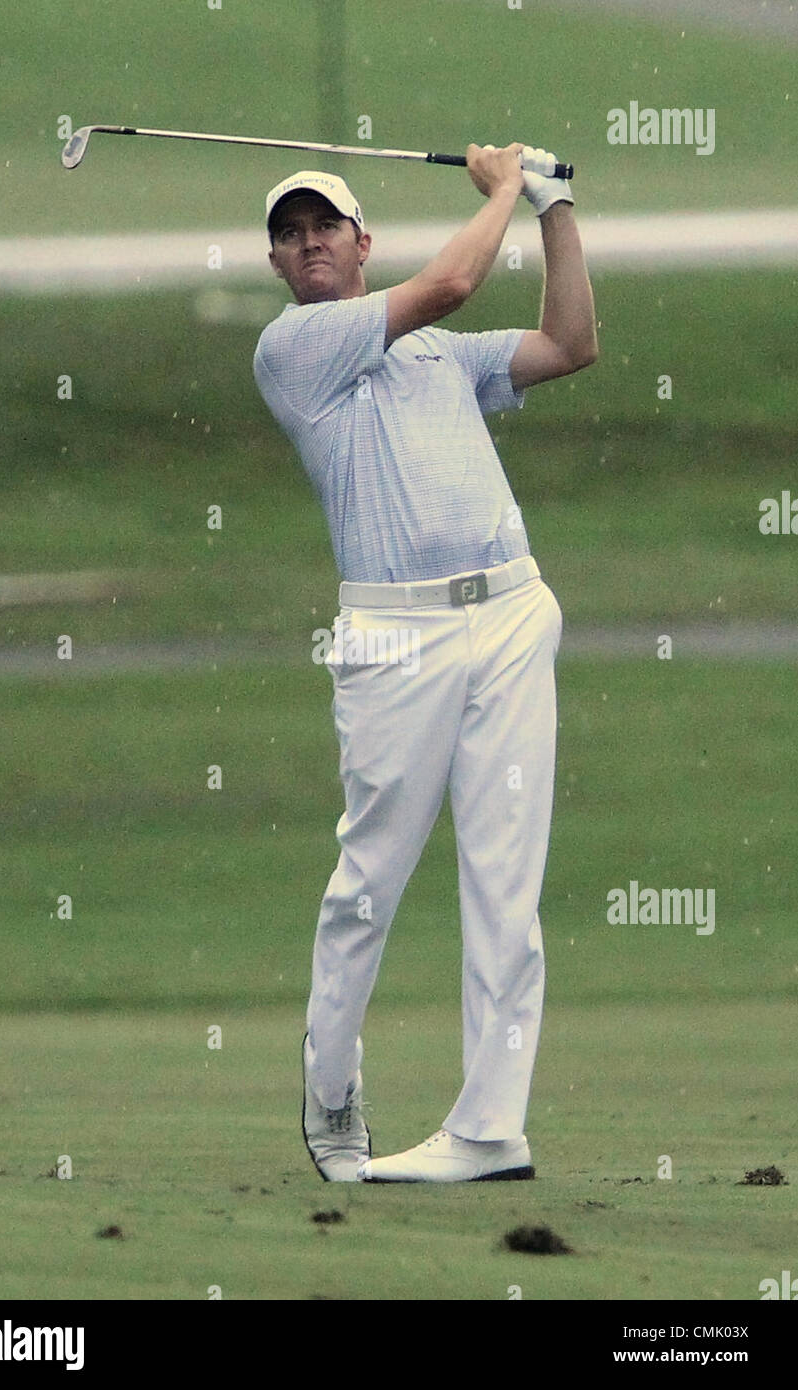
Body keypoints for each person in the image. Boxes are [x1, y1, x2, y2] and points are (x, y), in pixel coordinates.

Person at [252, 142, 597, 1183]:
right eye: (289, 234)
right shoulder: (294, 349)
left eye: (325, 227)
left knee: (504, 880)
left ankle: (490, 1128)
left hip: (508, 611)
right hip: (394, 637)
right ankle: (331, 1091)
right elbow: (448, 281)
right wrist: (499, 188)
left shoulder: (443, 357)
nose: (308, 242)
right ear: (279, 264)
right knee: (369, 882)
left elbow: (570, 342)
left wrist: (554, 206)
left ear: (362, 242)